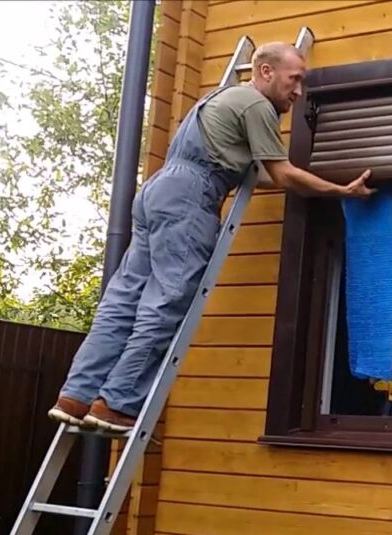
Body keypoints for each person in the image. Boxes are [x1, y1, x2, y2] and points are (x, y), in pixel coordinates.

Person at [48, 42, 375, 432]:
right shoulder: (256, 106)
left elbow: (264, 177)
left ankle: (76, 395)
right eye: (295, 80)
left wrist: (308, 183)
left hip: (159, 191)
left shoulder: (221, 97)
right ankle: (116, 403)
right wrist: (339, 190)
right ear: (266, 72)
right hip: (191, 197)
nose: (299, 92)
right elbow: (283, 172)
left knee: (123, 299)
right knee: (166, 301)